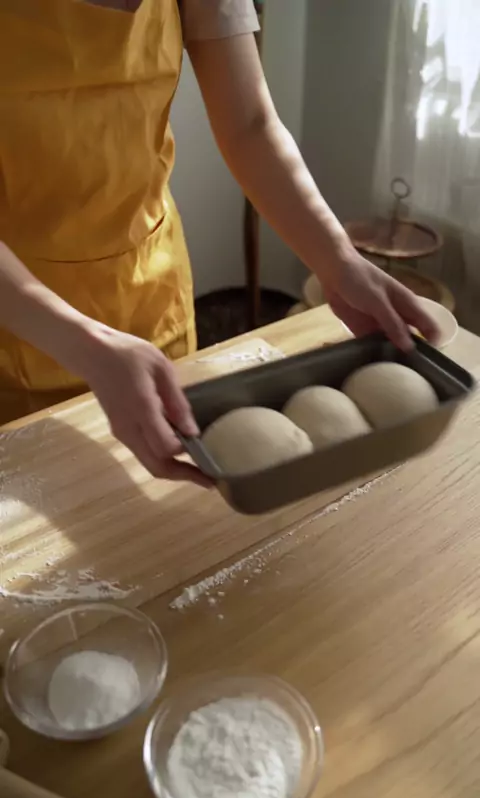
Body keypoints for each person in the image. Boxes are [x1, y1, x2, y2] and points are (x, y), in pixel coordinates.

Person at [0, 0, 437, 483]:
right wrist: (87, 344)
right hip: (17, 319)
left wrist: (338, 259)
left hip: (149, 286)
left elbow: (249, 124)